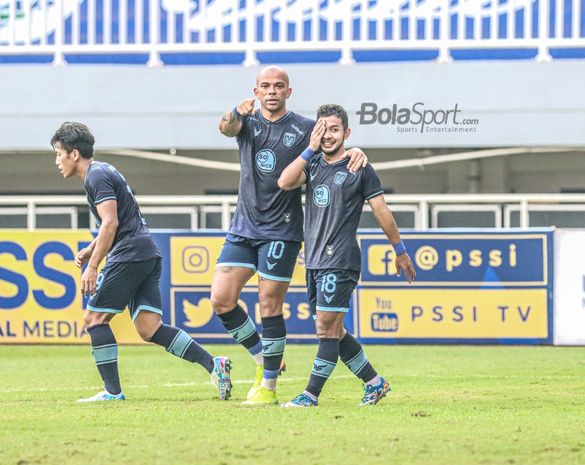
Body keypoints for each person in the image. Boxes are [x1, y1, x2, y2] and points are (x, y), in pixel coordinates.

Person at [215, 66, 368, 405]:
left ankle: (267, 388)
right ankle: (264, 357)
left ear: (289, 91)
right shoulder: (247, 121)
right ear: (256, 92)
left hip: (282, 229)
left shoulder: (304, 128)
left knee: (269, 305)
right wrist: (233, 112)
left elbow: (333, 147)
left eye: (278, 86)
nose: (272, 91)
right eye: (265, 86)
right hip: (243, 226)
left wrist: (357, 152)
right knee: (221, 299)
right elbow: (226, 128)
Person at [51, 122, 232, 402]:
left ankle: (112, 392)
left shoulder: (95, 176)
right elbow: (115, 222)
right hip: (145, 250)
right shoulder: (103, 170)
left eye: (58, 154)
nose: (57, 161)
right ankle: (214, 364)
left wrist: (93, 265)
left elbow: (110, 223)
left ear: (74, 154)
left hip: (130, 253)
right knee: (149, 328)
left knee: (94, 318)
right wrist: (91, 249)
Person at [277, 104, 416, 407]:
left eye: (334, 129)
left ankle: (310, 395)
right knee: (335, 331)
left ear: (347, 133)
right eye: (322, 129)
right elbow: (284, 182)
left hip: (340, 260)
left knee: (326, 329)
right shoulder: (312, 165)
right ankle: (375, 383)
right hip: (313, 261)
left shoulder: (358, 167)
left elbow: (381, 211)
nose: (328, 136)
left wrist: (400, 250)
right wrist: (308, 148)